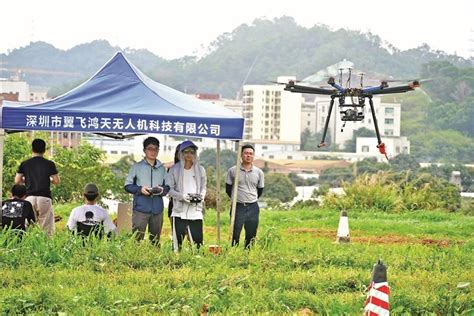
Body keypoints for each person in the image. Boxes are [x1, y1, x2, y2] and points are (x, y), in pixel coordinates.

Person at [124, 136, 169, 244]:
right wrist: (140, 189)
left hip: (157, 209)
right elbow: (127, 185)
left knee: (155, 240)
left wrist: (162, 190)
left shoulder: (162, 168)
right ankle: (135, 259)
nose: (153, 152)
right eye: (150, 149)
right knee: (137, 238)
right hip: (141, 208)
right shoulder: (137, 167)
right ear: (144, 150)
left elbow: (168, 187)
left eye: (155, 149)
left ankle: (155, 259)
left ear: (158, 150)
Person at [166, 140, 206, 251]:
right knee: (177, 243)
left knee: (198, 242)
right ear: (181, 153)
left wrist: (201, 197)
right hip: (179, 210)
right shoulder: (174, 169)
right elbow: (169, 189)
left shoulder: (200, 169)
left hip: (195, 210)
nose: (189, 155)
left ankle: (196, 262)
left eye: (192, 152)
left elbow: (203, 187)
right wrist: (182, 196)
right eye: (186, 152)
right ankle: (176, 263)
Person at [15, 138, 60, 236]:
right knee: (47, 229)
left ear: (32, 149)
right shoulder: (49, 164)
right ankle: (45, 249)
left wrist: (26, 179)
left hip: (29, 198)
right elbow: (56, 181)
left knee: (28, 227)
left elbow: (17, 181)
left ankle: (28, 248)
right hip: (44, 198)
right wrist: (49, 180)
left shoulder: (25, 164)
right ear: (44, 150)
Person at [226, 144, 264, 248]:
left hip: (252, 206)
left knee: (251, 233)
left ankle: (248, 255)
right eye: (246, 153)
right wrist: (237, 198)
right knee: (235, 232)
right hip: (238, 206)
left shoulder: (259, 172)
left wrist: (251, 199)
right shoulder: (233, 171)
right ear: (241, 155)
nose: (248, 156)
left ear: (254, 156)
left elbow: (260, 190)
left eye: (251, 154)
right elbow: (228, 189)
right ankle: (234, 252)